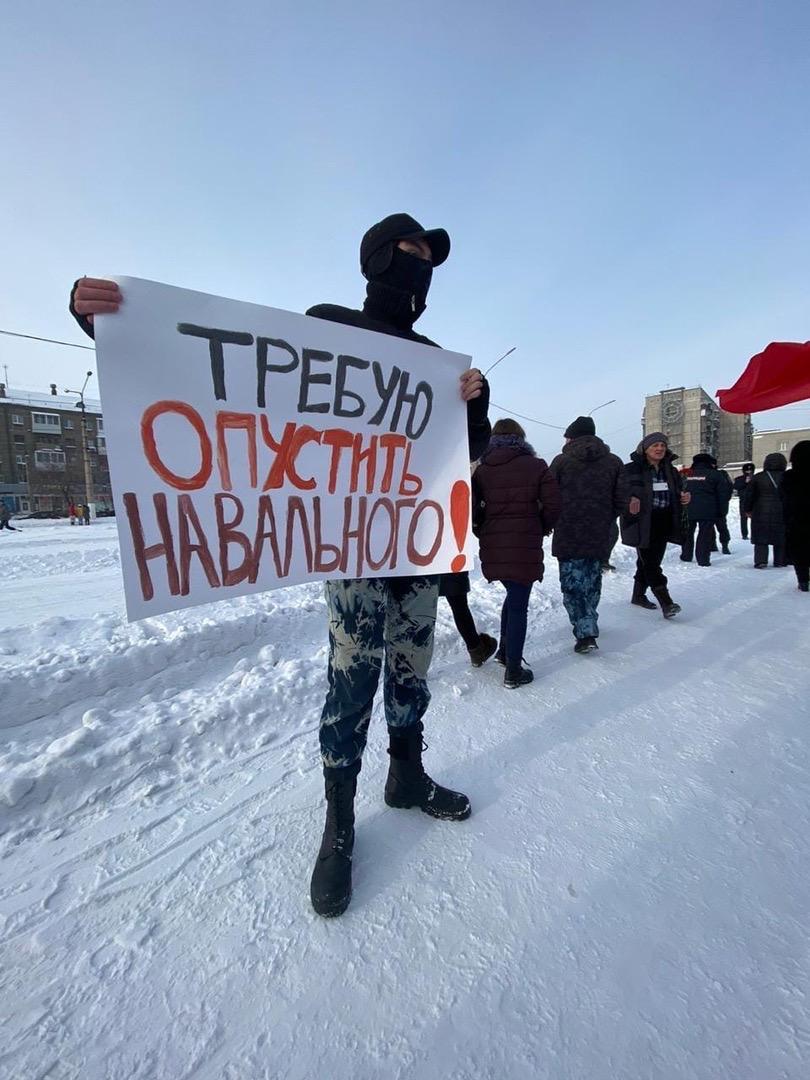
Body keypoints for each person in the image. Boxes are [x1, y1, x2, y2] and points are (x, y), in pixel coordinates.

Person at [70, 214, 491, 920]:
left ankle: (408, 777)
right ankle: (339, 822)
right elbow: (222, 381)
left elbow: (462, 451)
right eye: (412, 252)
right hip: (355, 551)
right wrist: (111, 325)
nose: (422, 266)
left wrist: (475, 404)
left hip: (415, 550)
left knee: (413, 671)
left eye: (430, 258)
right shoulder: (324, 332)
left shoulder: (435, 360)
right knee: (351, 684)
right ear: (381, 259)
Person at [472, 418, 561, 687]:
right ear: (521, 438)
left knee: (513, 594)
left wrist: (483, 530)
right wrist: (542, 526)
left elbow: (472, 509)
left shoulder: (482, 470)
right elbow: (554, 503)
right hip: (524, 542)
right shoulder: (536, 465)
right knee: (519, 603)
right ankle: (513, 671)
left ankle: (504, 653)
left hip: (494, 544)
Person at [548, 416, 629, 653]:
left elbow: (549, 497)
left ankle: (585, 632)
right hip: (600, 531)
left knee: (572, 582)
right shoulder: (614, 462)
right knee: (593, 579)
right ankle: (589, 618)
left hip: (568, 531)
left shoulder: (561, 461)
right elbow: (622, 498)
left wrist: (553, 520)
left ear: (571, 437)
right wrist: (605, 517)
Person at [621, 432, 690, 618]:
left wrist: (684, 497)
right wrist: (629, 500)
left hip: (664, 519)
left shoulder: (671, 470)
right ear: (645, 449)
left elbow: (680, 490)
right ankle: (666, 602)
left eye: (662, 445)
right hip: (641, 521)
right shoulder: (631, 469)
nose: (660, 448)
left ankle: (638, 595)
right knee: (651, 562)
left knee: (649, 561)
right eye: (655, 445)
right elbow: (620, 493)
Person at [680, 454, 731, 566]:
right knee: (704, 535)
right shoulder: (716, 475)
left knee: (687, 533)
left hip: (688, 508)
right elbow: (723, 495)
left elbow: (679, 490)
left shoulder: (686, 474)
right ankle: (703, 559)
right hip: (708, 510)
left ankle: (686, 556)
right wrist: (722, 512)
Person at [438, 571, 497, 666]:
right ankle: (476, 649)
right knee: (459, 606)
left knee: (423, 612)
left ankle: (416, 661)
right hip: (451, 565)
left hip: (420, 566)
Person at [743, 453, 788, 568]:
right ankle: (780, 561)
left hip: (760, 511)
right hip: (783, 511)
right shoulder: (788, 477)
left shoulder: (758, 477)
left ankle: (761, 561)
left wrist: (747, 509)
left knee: (761, 538)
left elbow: (749, 495)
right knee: (781, 536)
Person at [779, 441, 810, 591]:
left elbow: (782, 497)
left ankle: (803, 581)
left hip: (796, 519)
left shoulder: (789, 476)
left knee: (800, 550)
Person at [714, 465, 734, 553]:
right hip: (720, 505)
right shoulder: (723, 475)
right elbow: (730, 488)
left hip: (711, 506)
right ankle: (724, 545)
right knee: (722, 527)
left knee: (710, 527)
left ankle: (714, 545)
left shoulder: (703, 475)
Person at [733, 463, 755, 539]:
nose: (748, 472)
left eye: (750, 470)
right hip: (743, 500)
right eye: (747, 470)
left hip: (754, 501)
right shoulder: (739, 479)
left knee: (755, 519)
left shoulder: (756, 478)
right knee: (743, 518)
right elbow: (736, 487)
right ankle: (744, 534)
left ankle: (754, 534)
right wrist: (745, 482)